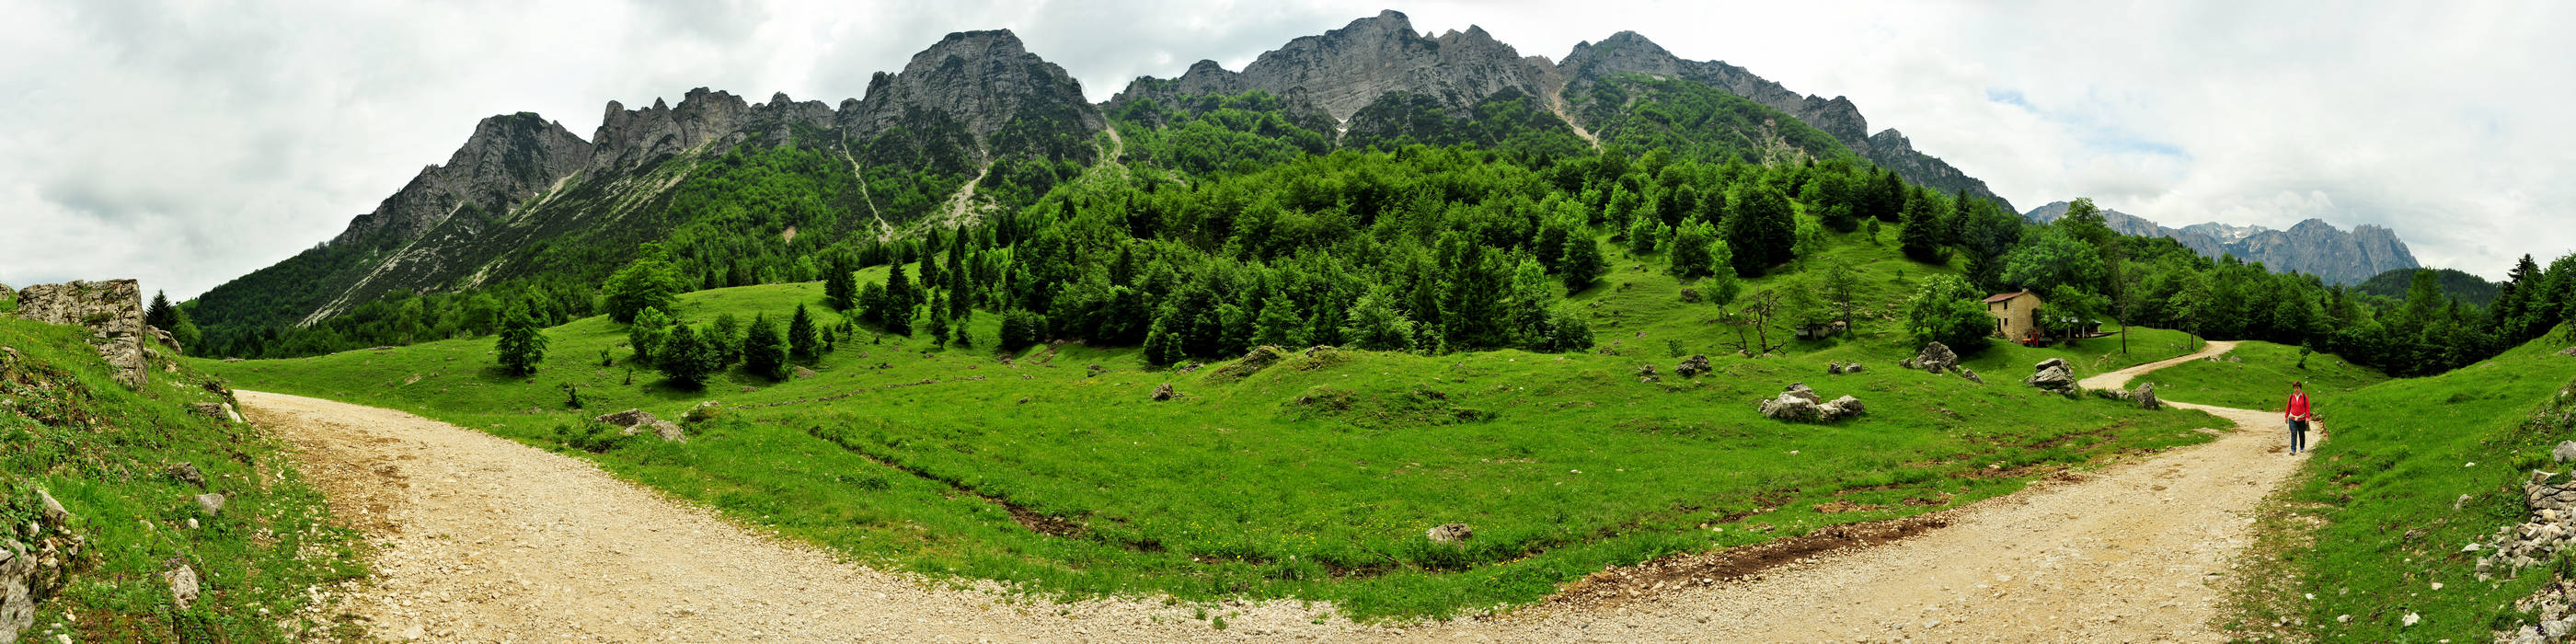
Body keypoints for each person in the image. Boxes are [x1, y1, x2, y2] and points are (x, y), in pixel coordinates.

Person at [2284, 381, 2313, 454]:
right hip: (2292, 417)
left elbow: (2307, 407)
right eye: (2295, 388)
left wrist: (2307, 417)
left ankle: (2302, 447)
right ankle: (2293, 449)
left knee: (2301, 433)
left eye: (2298, 388)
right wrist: (2286, 416)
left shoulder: (2304, 396)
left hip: (2302, 418)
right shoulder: (2291, 396)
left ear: (2300, 388)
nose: (2296, 390)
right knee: (2293, 432)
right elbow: (2288, 406)